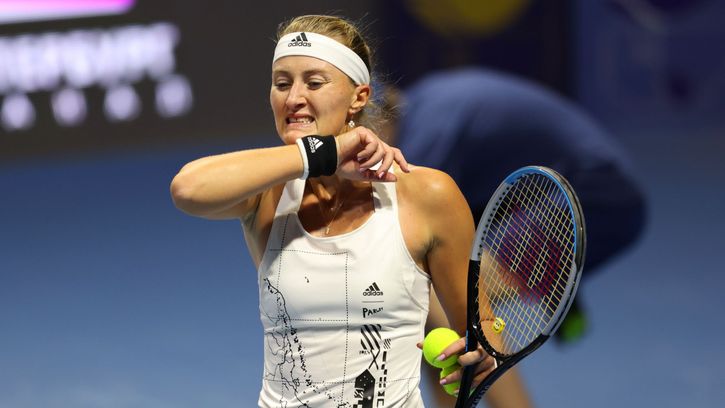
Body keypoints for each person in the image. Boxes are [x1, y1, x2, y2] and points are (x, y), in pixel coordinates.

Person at [170, 15, 508, 407]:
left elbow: (483, 325)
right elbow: (187, 189)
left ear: (359, 97)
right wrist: (324, 153)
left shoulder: (428, 194)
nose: (293, 98)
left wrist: (484, 354)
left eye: (314, 83)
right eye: (282, 83)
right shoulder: (268, 193)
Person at [381, 67, 647, 405]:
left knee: (458, 309)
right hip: (543, 197)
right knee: (439, 322)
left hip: (594, 195)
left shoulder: (426, 135)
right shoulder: (421, 106)